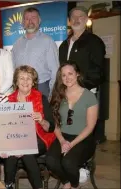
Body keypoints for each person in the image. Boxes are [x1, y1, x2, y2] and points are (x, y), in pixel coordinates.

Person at [0, 65, 56, 189]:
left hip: (39, 137)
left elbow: (51, 128)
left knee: (26, 151)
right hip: (16, 138)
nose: (25, 81)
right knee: (14, 152)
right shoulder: (8, 101)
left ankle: (9, 184)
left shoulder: (41, 98)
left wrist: (41, 120)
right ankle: (10, 184)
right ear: (16, 81)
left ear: (33, 82)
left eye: (29, 78)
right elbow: (4, 128)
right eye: (21, 78)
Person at [58, 6, 106, 144]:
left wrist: (81, 87)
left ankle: (86, 160)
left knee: (87, 128)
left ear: (86, 19)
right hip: (66, 93)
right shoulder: (64, 45)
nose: (76, 19)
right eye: (73, 17)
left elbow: (98, 71)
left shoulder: (95, 42)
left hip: (86, 91)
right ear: (69, 20)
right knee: (69, 125)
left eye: (80, 16)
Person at [47, 61, 98, 189]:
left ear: (77, 74)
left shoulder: (89, 96)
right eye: (63, 75)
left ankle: (75, 185)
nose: (67, 78)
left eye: (70, 73)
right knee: (51, 161)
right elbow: (56, 124)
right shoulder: (58, 95)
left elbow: (90, 127)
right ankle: (67, 182)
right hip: (63, 136)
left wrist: (71, 144)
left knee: (68, 162)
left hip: (83, 138)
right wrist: (63, 141)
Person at [12, 7, 59, 98]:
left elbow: (55, 70)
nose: (30, 21)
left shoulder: (48, 41)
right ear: (23, 23)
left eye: (33, 18)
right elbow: (14, 68)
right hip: (21, 88)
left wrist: (52, 94)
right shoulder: (17, 44)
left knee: (41, 112)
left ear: (39, 21)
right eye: (27, 19)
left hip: (41, 87)